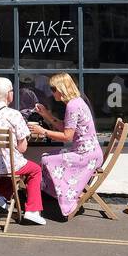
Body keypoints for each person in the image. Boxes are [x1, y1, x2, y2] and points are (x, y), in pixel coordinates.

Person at [29, 72, 104, 220]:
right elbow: (66, 127)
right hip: (87, 152)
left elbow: (67, 136)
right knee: (46, 157)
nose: (52, 92)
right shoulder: (77, 102)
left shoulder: (72, 106)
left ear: (61, 89)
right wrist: (46, 115)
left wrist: (43, 131)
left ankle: (69, 198)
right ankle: (65, 194)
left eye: (53, 89)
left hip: (86, 156)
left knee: (46, 160)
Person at [0, 76, 46, 225]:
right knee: (34, 169)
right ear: (8, 94)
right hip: (7, 165)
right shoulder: (13, 114)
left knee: (11, 164)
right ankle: (32, 211)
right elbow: (22, 148)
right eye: (12, 91)